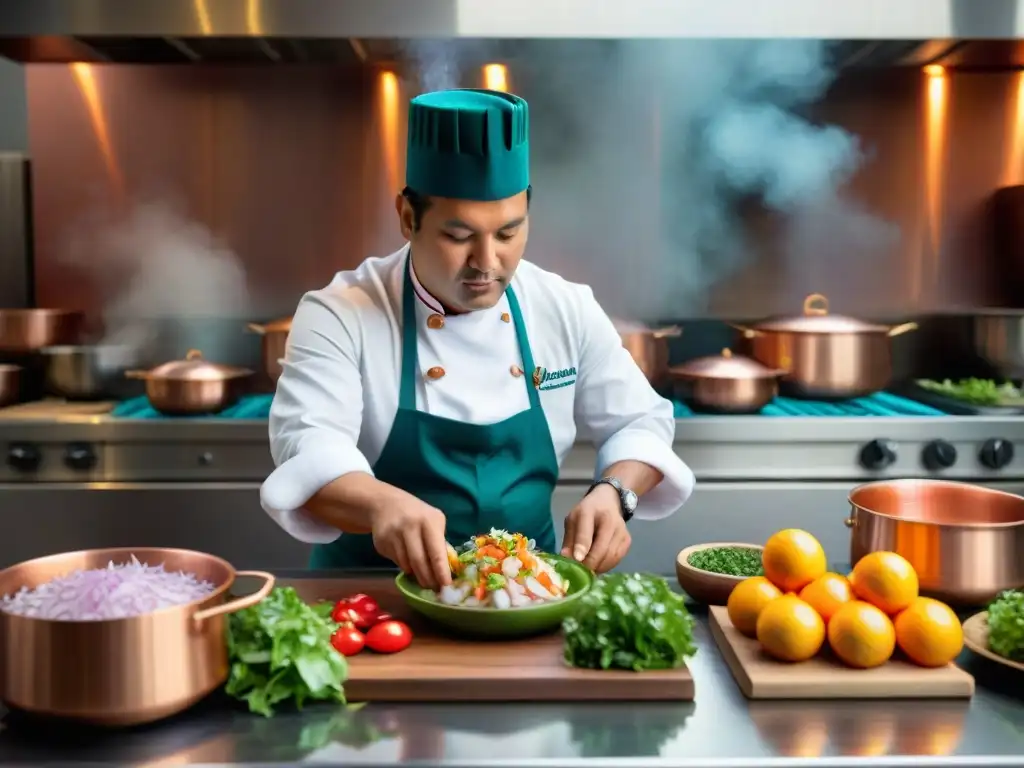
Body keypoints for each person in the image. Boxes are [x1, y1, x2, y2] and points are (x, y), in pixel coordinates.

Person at [260, 88, 695, 588]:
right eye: (459, 236)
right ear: (408, 217)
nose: (487, 263)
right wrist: (383, 505)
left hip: (528, 596)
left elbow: (640, 421)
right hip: (370, 599)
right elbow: (309, 448)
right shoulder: (340, 313)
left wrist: (615, 492)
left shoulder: (564, 306)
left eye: (508, 234)